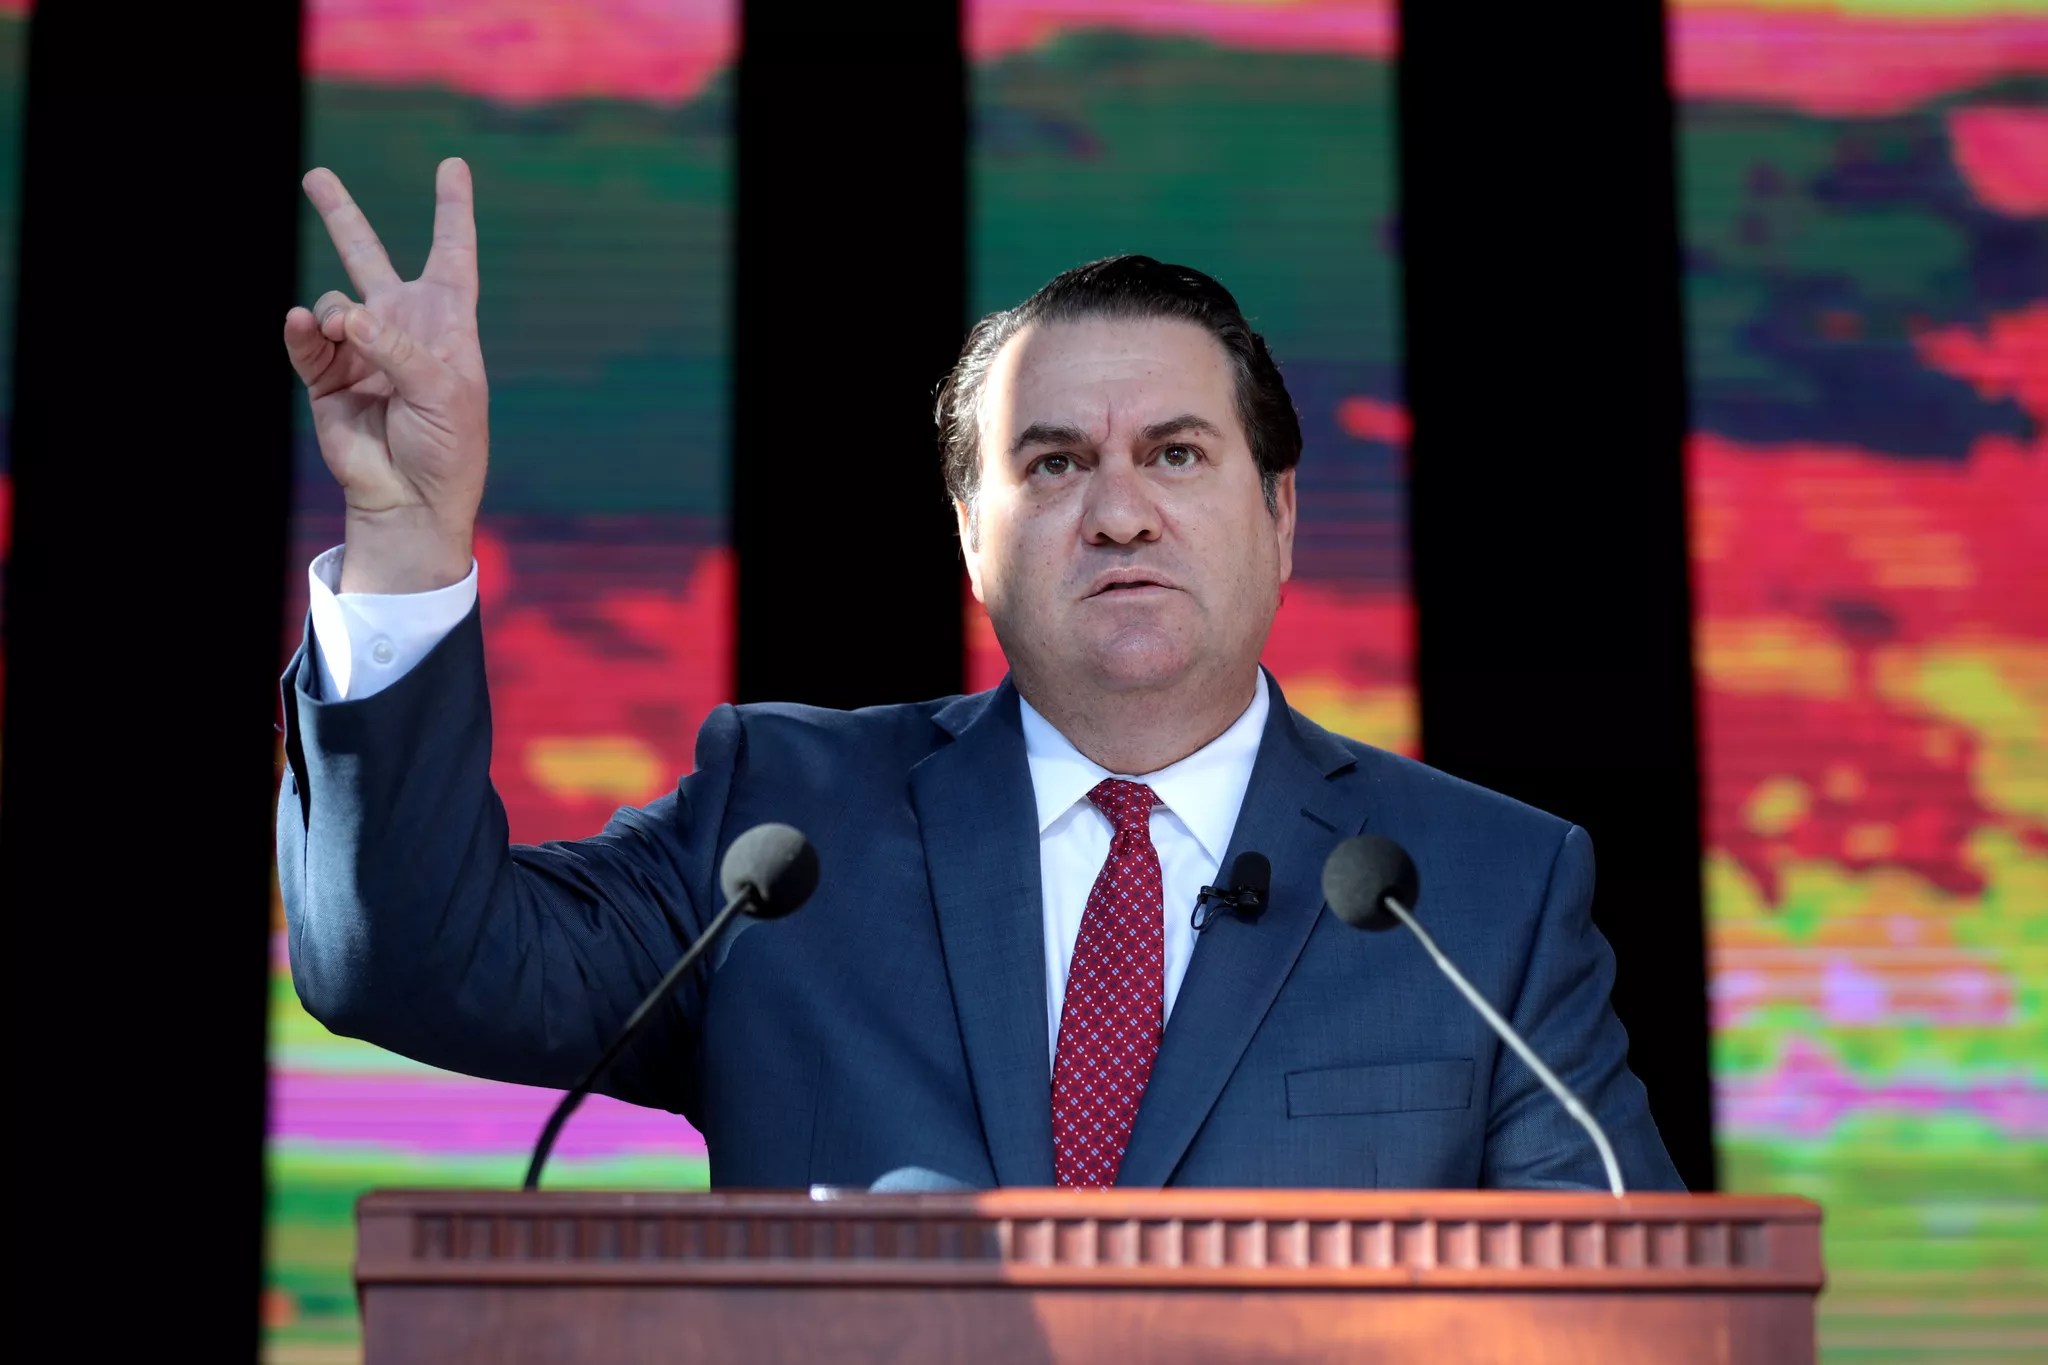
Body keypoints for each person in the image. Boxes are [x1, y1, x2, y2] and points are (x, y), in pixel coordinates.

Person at [279, 158, 1683, 1191]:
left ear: (1281, 515)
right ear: (969, 536)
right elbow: (405, 962)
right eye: (1055, 464)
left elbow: (1624, 1313)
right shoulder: (780, 830)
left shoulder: (1478, 895)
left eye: (1176, 454)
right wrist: (408, 535)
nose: (1120, 512)